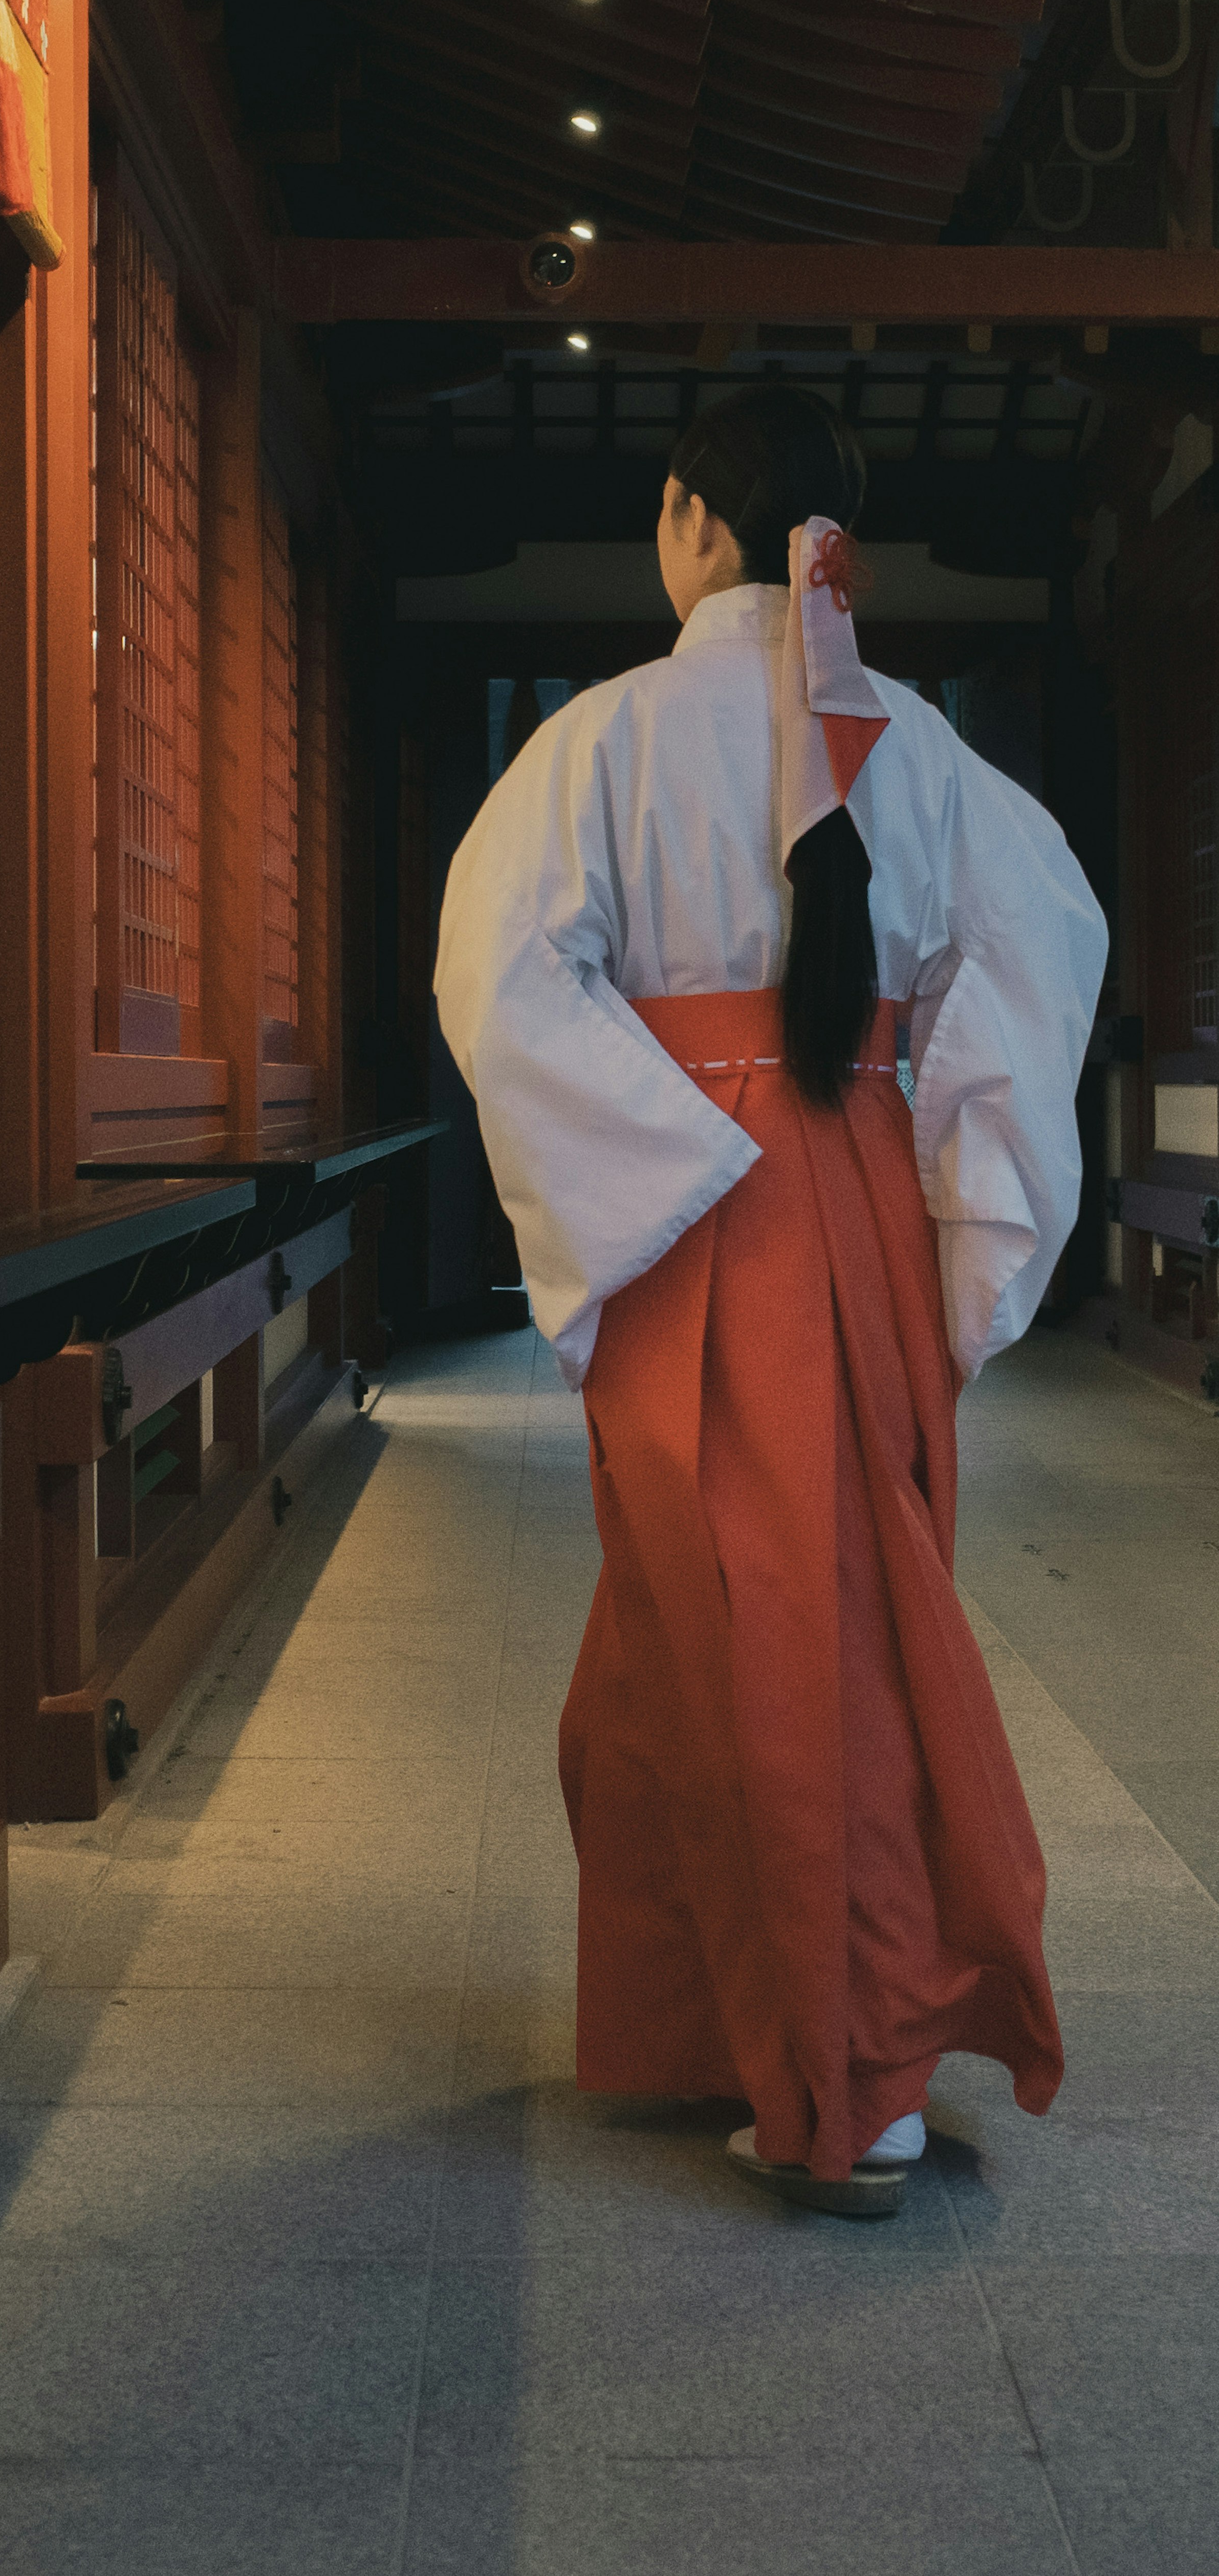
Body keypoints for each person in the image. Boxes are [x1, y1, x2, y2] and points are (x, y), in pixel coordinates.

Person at [434, 383, 1107, 2218]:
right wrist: (976, 1232)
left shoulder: (603, 743)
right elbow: (1044, 955)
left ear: (688, 524)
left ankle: (847, 2070)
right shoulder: (924, 749)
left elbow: (500, 979)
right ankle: (743, 2022)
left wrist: (657, 1156)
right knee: (828, 1624)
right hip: (862, 1188)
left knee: (733, 1626)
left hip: (694, 1208)